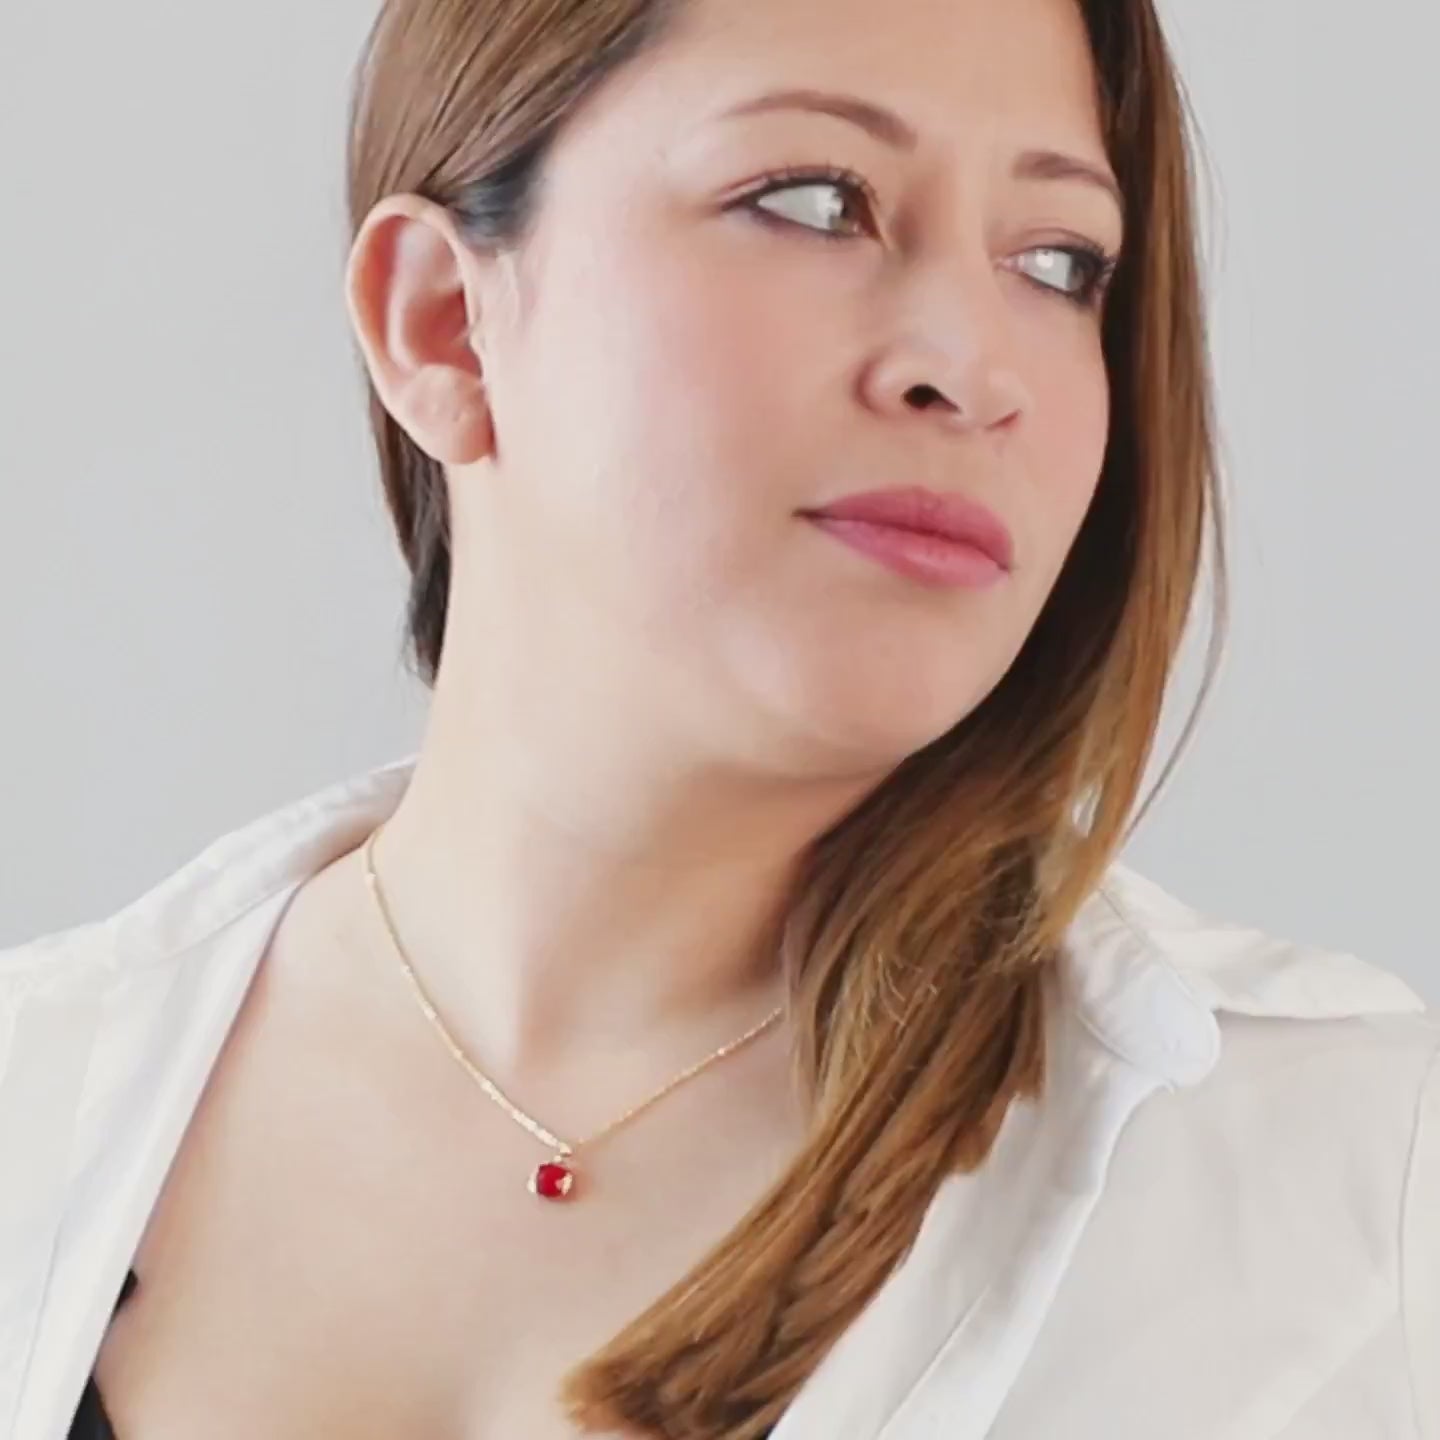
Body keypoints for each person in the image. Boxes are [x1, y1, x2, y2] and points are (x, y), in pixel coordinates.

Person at [2, 0, 1436, 1435]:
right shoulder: (35, 1094)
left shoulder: (1358, 1190)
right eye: (814, 200)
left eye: (1060, 262)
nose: (973, 365)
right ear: (443, 323)